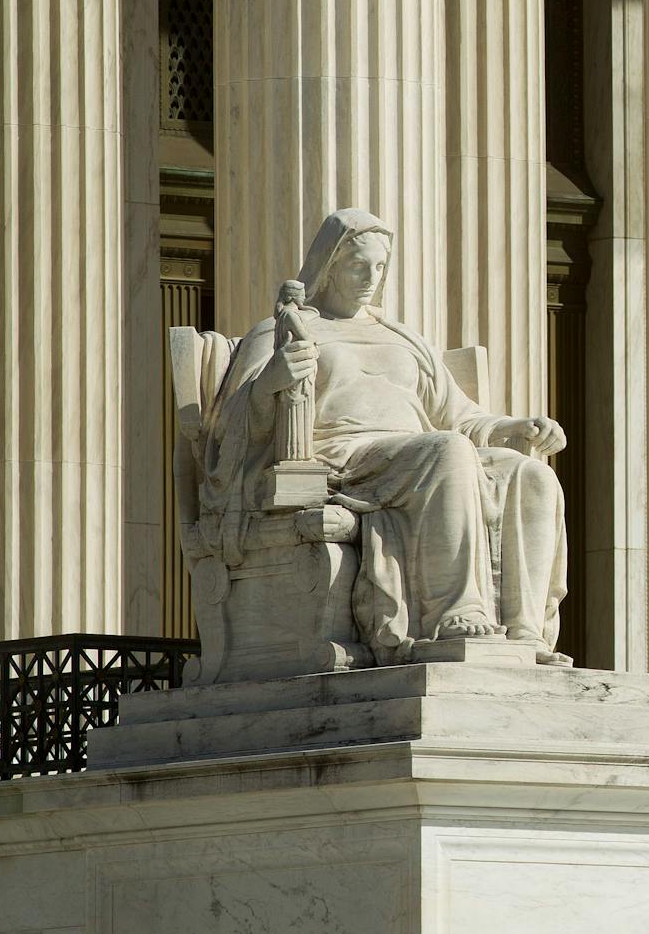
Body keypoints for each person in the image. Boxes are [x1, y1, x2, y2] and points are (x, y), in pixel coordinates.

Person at [198, 208, 570, 665]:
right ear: (329, 266)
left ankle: (524, 631)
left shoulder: (403, 337)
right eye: (358, 266)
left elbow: (457, 417)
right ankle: (454, 615)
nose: (370, 278)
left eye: (379, 267)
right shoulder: (286, 329)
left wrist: (511, 428)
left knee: (531, 475)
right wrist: (273, 378)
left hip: (417, 454)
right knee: (447, 452)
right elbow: (228, 430)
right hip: (343, 459)